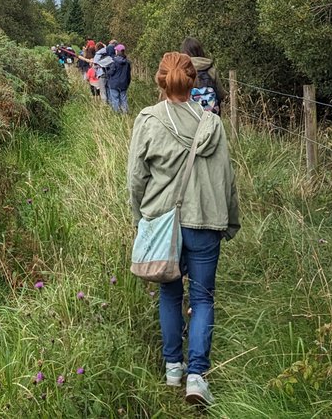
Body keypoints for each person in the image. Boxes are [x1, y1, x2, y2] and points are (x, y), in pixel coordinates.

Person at [127, 52, 239, 407]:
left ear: (160, 81)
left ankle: (173, 367)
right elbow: (226, 178)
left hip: (162, 222)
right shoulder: (212, 123)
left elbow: (135, 180)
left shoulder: (147, 120)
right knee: (203, 297)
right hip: (205, 220)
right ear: (193, 82)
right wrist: (230, 220)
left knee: (170, 294)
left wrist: (139, 219)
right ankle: (197, 376)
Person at [181, 37, 224, 114]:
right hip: (211, 117)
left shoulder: (182, 71)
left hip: (190, 116)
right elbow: (221, 94)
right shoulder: (211, 70)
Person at [105, 43, 131, 113]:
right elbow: (128, 74)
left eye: (116, 50)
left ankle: (117, 115)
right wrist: (127, 83)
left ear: (118, 51)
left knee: (115, 100)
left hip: (114, 84)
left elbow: (111, 72)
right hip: (124, 84)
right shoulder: (127, 62)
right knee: (124, 99)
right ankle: (125, 114)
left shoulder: (114, 61)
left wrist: (107, 71)